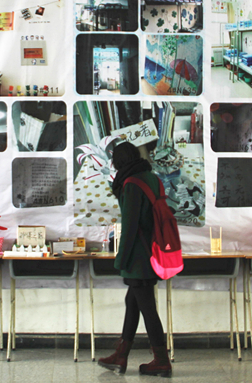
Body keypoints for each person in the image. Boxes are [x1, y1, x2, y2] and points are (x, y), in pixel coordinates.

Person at [98, 141, 172, 377]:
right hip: (153, 250)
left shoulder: (131, 183)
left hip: (138, 256)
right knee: (133, 303)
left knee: (147, 308)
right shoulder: (152, 178)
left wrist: (121, 259)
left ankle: (162, 361)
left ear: (119, 162)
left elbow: (129, 226)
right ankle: (121, 356)